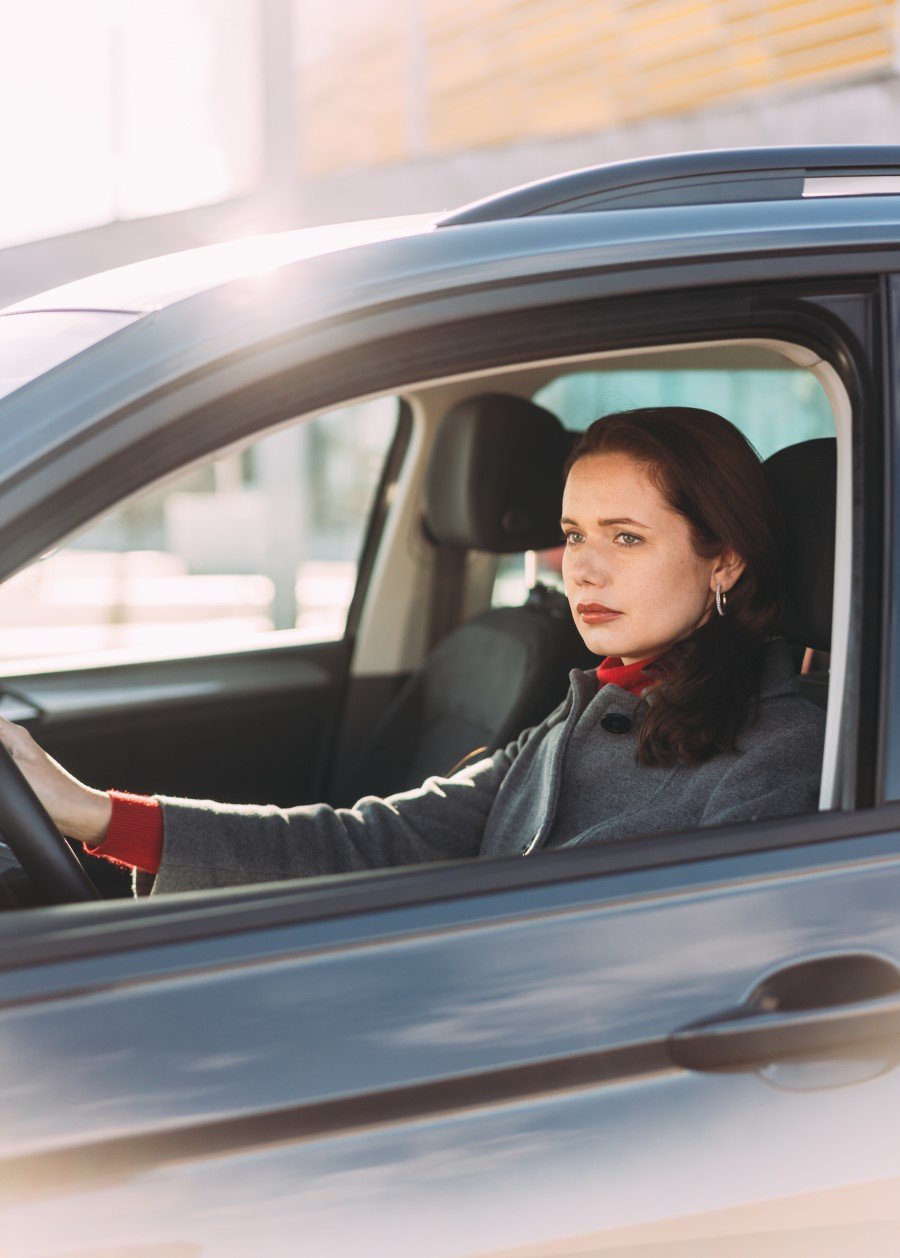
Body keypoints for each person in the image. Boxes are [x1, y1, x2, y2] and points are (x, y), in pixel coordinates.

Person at [0, 407, 826, 897]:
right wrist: (96, 815)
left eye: (627, 537)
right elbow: (375, 841)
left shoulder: (783, 756)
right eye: (574, 534)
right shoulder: (590, 711)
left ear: (725, 557)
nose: (584, 566)